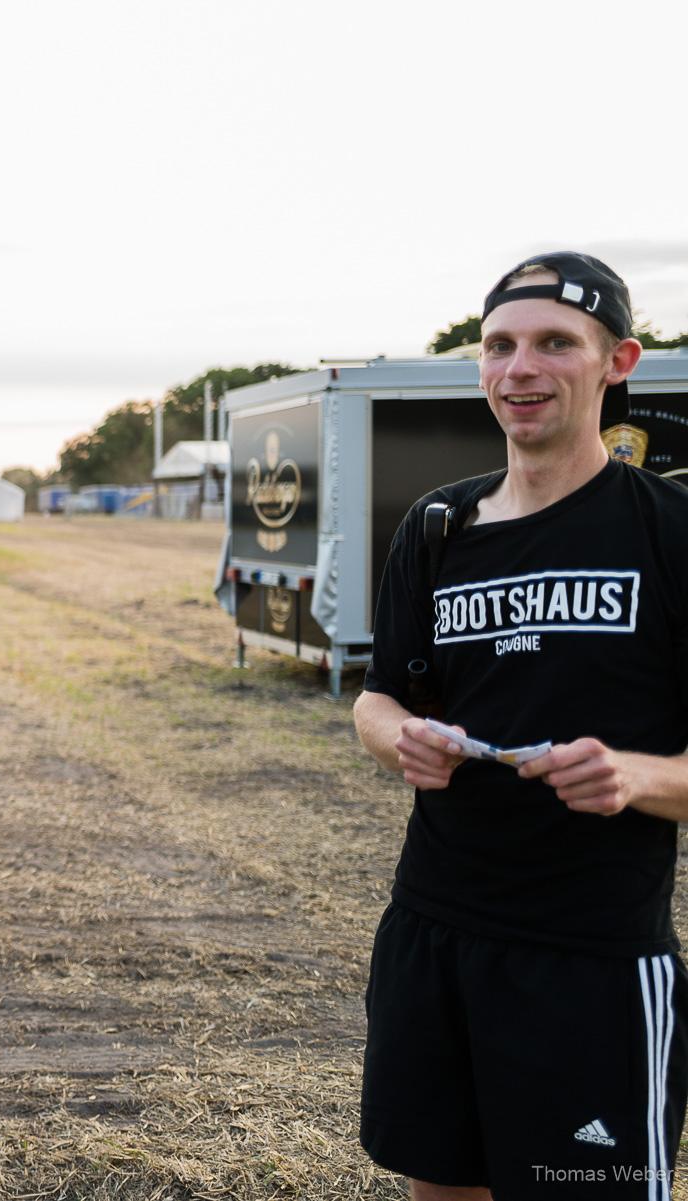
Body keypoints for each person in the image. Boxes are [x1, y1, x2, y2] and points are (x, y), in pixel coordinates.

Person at [354, 251, 688, 1198]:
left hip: (593, 955)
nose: (520, 370)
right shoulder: (437, 527)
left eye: (554, 344)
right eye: (499, 346)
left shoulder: (668, 532)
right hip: (435, 929)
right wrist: (398, 738)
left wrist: (634, 776)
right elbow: (378, 698)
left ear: (618, 360)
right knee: (440, 1186)